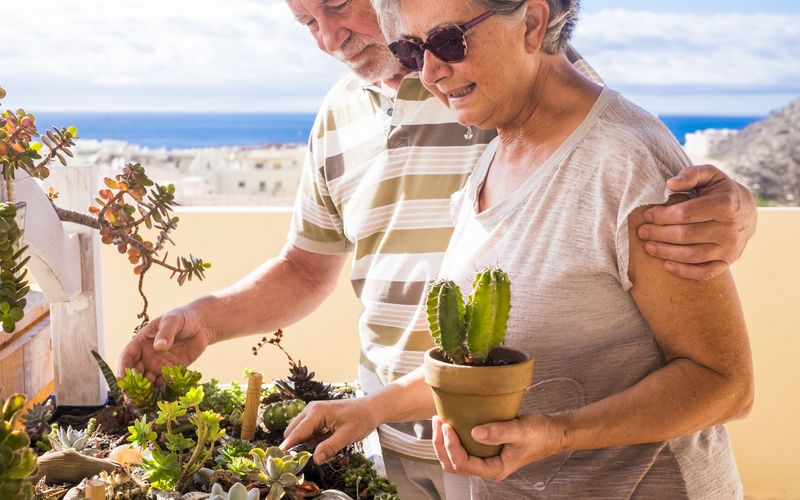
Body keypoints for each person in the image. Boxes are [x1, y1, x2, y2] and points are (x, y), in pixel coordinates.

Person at [120, 0, 757, 498]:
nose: (426, 71)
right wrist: (369, 407)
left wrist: (737, 205)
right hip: (464, 458)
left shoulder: (540, 111)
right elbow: (319, 271)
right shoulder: (490, 143)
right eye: (411, 49)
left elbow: (617, 147)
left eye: (338, 6)